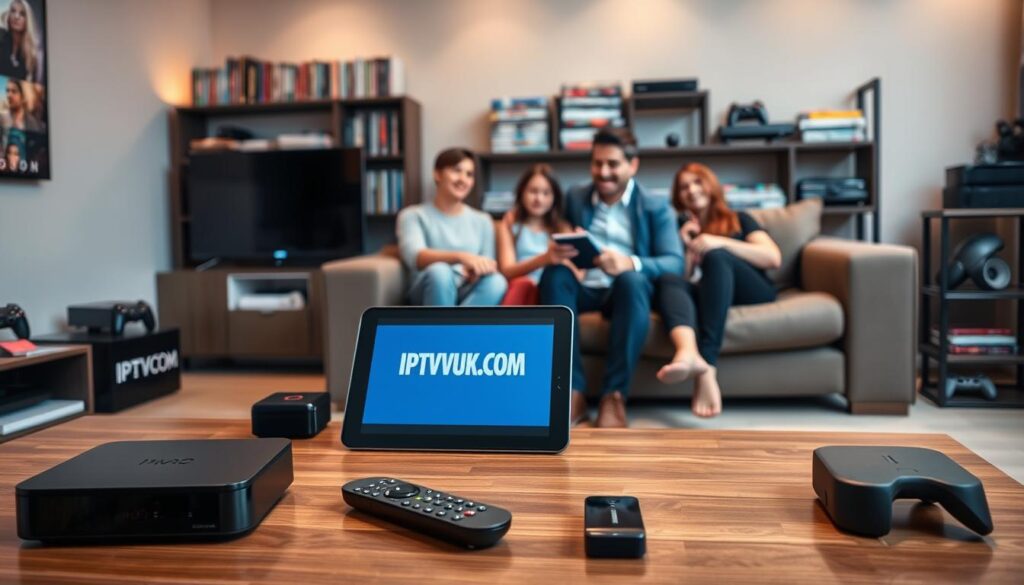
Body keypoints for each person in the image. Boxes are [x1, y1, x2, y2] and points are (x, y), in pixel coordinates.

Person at [538, 128, 683, 428]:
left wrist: (629, 262)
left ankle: (614, 396)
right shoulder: (576, 196)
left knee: (631, 280)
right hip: (585, 286)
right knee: (554, 275)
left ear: (633, 165)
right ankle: (572, 393)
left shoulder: (656, 206)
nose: (603, 172)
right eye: (597, 163)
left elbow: (675, 262)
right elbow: (556, 226)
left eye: (613, 164)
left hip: (626, 291)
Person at [654, 163, 782, 417]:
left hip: (751, 289)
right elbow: (683, 282)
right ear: (678, 197)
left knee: (716, 256)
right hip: (708, 294)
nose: (691, 190)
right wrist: (689, 246)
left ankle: (707, 366)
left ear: (711, 185)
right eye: (684, 187)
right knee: (668, 279)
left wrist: (717, 242)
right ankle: (689, 353)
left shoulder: (739, 219)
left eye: (697, 182)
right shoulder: (678, 229)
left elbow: (772, 257)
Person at [397, 147, 507, 306]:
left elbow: (487, 262)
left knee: (497, 281)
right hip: (428, 289)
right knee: (440, 271)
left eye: (469, 174)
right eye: (457, 171)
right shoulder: (412, 215)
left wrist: (476, 270)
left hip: (467, 288)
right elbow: (415, 257)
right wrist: (462, 258)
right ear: (437, 174)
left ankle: (455, 322)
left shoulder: (483, 220)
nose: (463, 179)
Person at [496, 163, 578, 305]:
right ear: (522, 192)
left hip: (551, 290)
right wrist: (544, 259)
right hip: (521, 289)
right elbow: (507, 270)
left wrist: (564, 259)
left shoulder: (562, 228)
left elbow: (579, 276)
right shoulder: (510, 224)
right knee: (523, 285)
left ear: (554, 197)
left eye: (546, 193)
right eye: (533, 191)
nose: (539, 199)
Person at [0, 0, 42, 82]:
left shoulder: (31, 54)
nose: (16, 16)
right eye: (13, 11)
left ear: (28, 20)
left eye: (22, 14)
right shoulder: (1, 35)